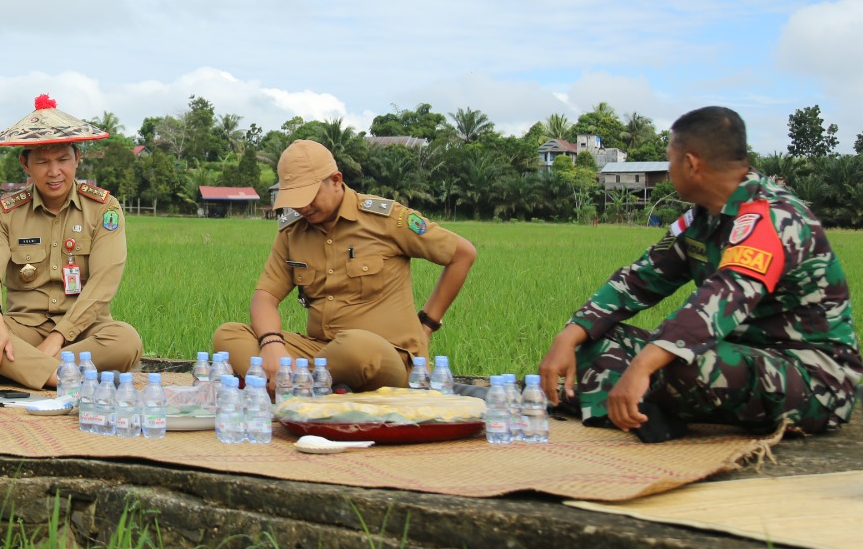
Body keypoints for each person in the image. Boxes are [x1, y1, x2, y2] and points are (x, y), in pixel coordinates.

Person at [539, 106, 860, 439]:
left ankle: (637, 407)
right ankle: (646, 411)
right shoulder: (702, 219)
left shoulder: (772, 216)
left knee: (681, 365)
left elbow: (720, 300)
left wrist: (643, 364)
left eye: (670, 160)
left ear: (691, 164)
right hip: (736, 357)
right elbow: (639, 279)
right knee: (595, 340)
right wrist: (571, 333)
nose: (669, 168)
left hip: (812, 375)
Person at [213, 139, 477, 394]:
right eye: (295, 198)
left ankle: (289, 386)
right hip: (320, 351)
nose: (302, 206)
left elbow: (462, 254)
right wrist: (271, 343)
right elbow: (264, 298)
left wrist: (427, 324)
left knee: (356, 347)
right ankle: (314, 387)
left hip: (384, 355)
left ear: (336, 180)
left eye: (309, 195)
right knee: (228, 336)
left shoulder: (388, 219)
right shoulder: (292, 232)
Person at [0, 95, 142, 389]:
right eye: (42, 162)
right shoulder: (3, 213)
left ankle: (10, 370)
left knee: (126, 340)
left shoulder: (104, 209)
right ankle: (60, 377)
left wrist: (58, 338)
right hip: (24, 328)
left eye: (62, 160)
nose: (54, 172)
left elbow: (103, 284)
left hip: (83, 331)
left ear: (77, 158)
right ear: (25, 164)